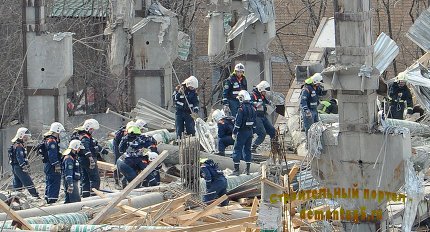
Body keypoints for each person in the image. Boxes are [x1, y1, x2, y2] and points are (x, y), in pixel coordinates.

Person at [8, 127, 39, 198]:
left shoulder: (15, 145)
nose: (27, 139)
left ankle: (16, 196)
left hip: (15, 166)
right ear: (21, 136)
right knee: (27, 181)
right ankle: (35, 195)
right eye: (26, 137)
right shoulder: (19, 146)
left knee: (17, 182)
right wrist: (24, 166)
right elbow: (20, 157)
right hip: (19, 167)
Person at [38, 122, 65, 204]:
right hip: (52, 165)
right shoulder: (52, 141)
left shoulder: (47, 139)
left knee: (49, 181)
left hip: (47, 164)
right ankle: (52, 199)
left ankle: (48, 197)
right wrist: (56, 164)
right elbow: (52, 155)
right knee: (55, 181)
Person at [74, 119, 101, 197]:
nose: (93, 131)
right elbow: (85, 147)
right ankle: (94, 195)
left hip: (82, 160)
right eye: (92, 129)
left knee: (85, 178)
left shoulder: (83, 136)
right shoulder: (85, 137)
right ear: (89, 128)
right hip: (87, 160)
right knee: (95, 178)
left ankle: (85, 195)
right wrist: (91, 158)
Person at [231, 90, 256, 176]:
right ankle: (247, 170)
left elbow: (238, 123)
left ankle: (236, 170)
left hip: (242, 132)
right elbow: (255, 122)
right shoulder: (253, 108)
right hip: (250, 132)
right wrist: (253, 132)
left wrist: (234, 132)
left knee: (237, 149)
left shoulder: (241, 109)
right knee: (247, 150)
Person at [250, 81, 276, 153]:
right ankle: (253, 147)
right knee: (262, 133)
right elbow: (249, 103)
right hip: (256, 116)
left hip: (263, 116)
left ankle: (274, 148)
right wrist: (255, 104)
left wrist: (271, 104)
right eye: (265, 91)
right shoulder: (253, 95)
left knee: (272, 131)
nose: (265, 93)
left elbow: (265, 102)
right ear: (261, 89)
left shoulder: (262, 96)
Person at [112, 121, 136, 186]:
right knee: (118, 161)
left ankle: (124, 179)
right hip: (117, 144)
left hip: (123, 144)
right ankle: (117, 180)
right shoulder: (124, 133)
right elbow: (121, 146)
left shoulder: (135, 130)